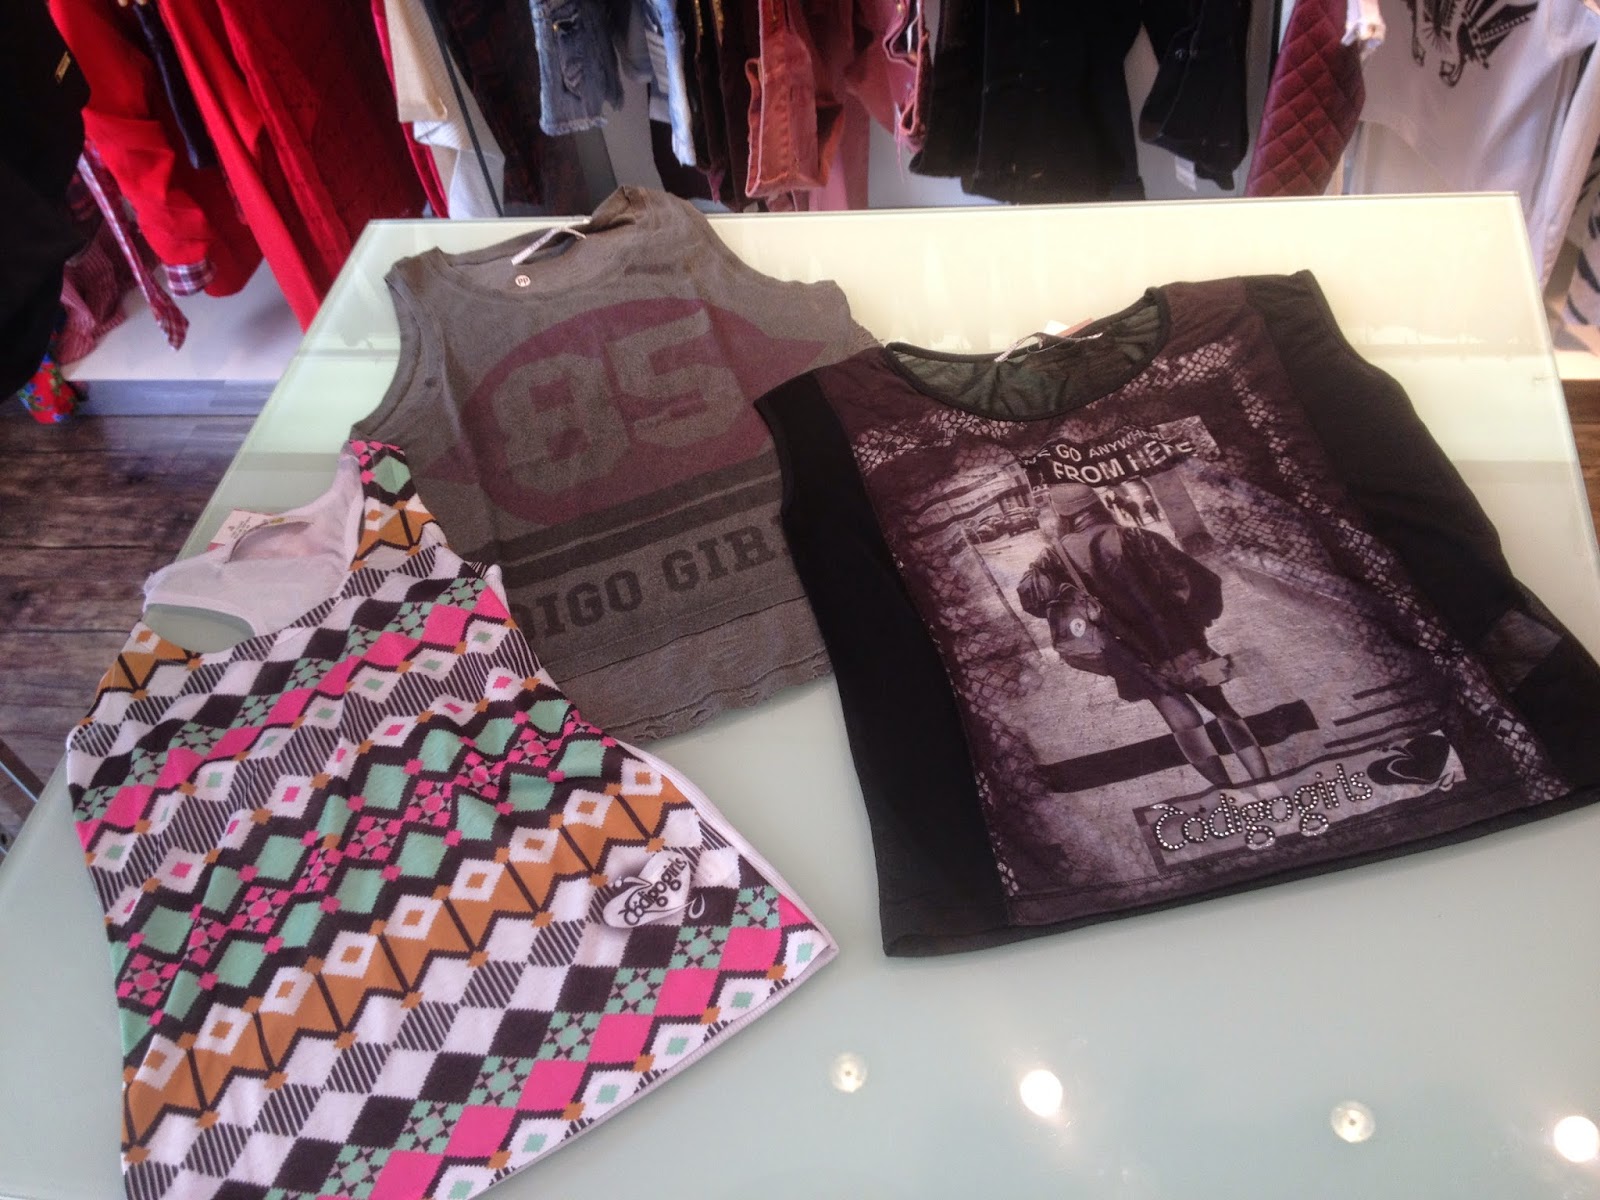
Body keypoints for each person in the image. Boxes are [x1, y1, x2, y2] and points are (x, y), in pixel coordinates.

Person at [1017, 479, 1271, 796]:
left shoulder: (1055, 557)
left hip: (1133, 658)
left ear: (1062, 515)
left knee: (1184, 725)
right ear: (1096, 505)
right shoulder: (1136, 536)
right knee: (1224, 711)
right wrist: (1193, 624)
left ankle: (1229, 795)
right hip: (1185, 645)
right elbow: (1200, 583)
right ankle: (1266, 786)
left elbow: (1033, 599)